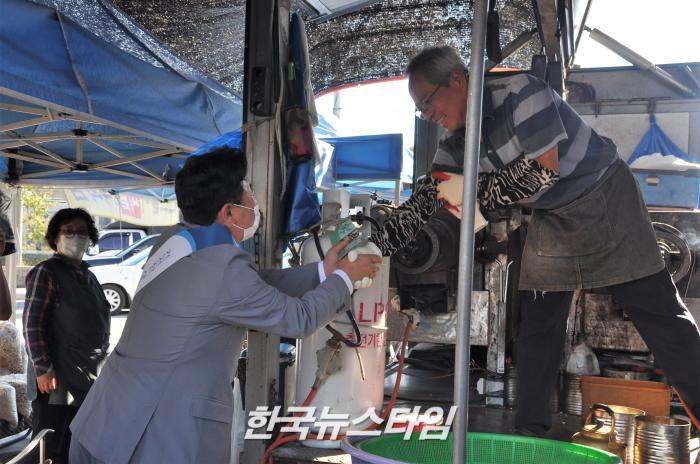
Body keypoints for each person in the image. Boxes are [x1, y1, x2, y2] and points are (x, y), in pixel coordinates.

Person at [369, 45, 700, 436]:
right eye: (420, 109)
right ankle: (530, 433)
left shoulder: (521, 93)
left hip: (604, 197)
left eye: (427, 101)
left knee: (659, 313)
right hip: (552, 215)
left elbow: (541, 173)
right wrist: (375, 245)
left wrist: (473, 191)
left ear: (457, 80)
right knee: (539, 325)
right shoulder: (454, 145)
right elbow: (429, 200)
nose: (427, 114)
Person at [69, 147, 381, 463]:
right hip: (157, 435)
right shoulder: (223, 267)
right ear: (229, 212)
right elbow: (298, 319)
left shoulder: (176, 242)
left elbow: (253, 287)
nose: (255, 202)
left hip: (106, 421)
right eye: (249, 191)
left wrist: (323, 272)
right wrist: (345, 278)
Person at [23, 208, 110, 463]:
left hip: (87, 376)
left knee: (75, 445)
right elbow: (32, 324)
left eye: (82, 232)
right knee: (49, 445)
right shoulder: (46, 272)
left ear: (90, 238)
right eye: (68, 231)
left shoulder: (89, 276)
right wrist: (43, 368)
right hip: (56, 378)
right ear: (55, 238)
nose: (76, 237)